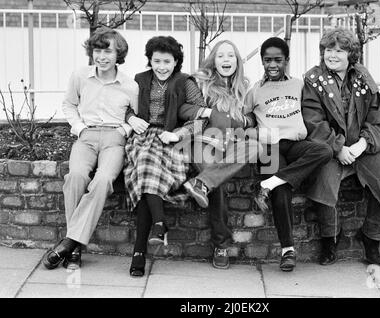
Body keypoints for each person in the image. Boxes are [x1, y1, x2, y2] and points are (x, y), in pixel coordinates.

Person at [301, 28, 380, 266]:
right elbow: (313, 122)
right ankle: (330, 239)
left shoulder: (363, 78)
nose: (333, 55)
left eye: (340, 50)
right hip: (329, 149)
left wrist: (362, 144)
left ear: (351, 54)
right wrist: (338, 148)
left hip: (362, 148)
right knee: (324, 181)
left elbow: (378, 120)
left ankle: (372, 237)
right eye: (329, 49)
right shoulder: (313, 80)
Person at [43, 27, 138, 270]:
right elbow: (69, 104)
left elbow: (135, 116)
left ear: (119, 54)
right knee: (75, 177)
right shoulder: (80, 76)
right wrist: (79, 127)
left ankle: (69, 244)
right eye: (97, 51)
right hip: (86, 136)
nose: (102, 57)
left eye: (108, 51)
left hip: (114, 139)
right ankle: (74, 247)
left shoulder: (130, 85)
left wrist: (124, 131)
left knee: (104, 179)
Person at [245, 37, 333, 272]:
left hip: (296, 144)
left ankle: (269, 182)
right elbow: (243, 122)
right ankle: (288, 251)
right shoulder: (255, 90)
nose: (272, 64)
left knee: (324, 149)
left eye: (277, 60)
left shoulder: (298, 85)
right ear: (262, 62)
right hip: (269, 148)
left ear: (286, 60)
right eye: (267, 60)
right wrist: (256, 132)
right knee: (282, 191)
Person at [124, 36, 207, 277]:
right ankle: (159, 223)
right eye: (156, 61)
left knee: (145, 171)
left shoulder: (185, 82)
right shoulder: (139, 80)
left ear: (176, 61)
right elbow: (123, 105)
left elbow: (201, 118)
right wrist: (131, 117)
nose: (161, 66)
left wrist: (180, 133)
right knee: (146, 166)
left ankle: (139, 252)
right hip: (144, 137)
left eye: (167, 61)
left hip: (173, 140)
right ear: (150, 60)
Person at [181, 40, 260, 269]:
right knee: (218, 182)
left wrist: (244, 121)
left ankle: (200, 184)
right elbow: (183, 109)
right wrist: (209, 112)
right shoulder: (199, 83)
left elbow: (250, 119)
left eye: (231, 56)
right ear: (213, 60)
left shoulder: (243, 88)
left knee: (254, 147)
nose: (226, 60)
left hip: (232, 144)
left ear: (237, 61)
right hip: (203, 142)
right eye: (221, 56)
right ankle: (221, 245)